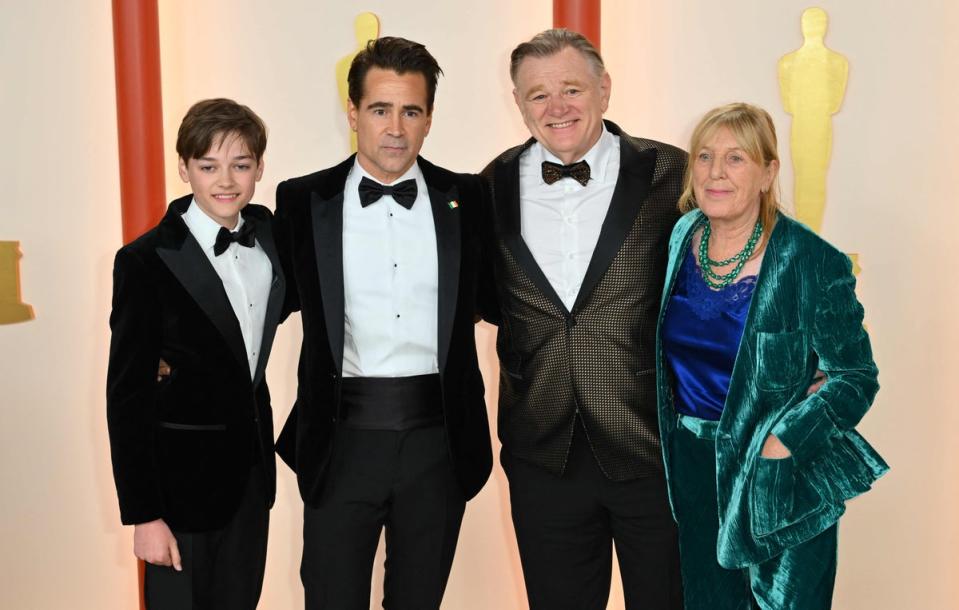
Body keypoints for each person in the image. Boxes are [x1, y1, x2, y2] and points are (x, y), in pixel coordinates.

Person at [272, 36, 493, 609]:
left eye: (410, 111)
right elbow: (259, 293)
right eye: (380, 109)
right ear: (353, 113)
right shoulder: (302, 200)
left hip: (438, 443)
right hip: (340, 441)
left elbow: (507, 300)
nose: (395, 128)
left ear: (428, 120)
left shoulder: (468, 200)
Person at [481, 28, 685, 609]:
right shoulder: (488, 186)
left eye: (571, 88)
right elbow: (487, 299)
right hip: (543, 452)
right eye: (537, 95)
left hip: (654, 448)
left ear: (605, 90)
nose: (557, 108)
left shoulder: (673, 175)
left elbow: (731, 276)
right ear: (518, 103)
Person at [656, 102, 888, 609]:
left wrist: (783, 443)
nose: (716, 173)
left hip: (780, 481)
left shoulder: (811, 260)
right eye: (704, 156)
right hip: (694, 471)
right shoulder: (682, 236)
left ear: (768, 172)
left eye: (736, 158)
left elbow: (855, 376)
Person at [106, 98, 284, 609]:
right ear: (184, 168)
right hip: (177, 497)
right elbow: (127, 397)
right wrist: (144, 515)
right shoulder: (144, 261)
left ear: (259, 168)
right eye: (208, 166)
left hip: (251, 482)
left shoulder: (270, 237)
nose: (225, 181)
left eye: (241, 165)